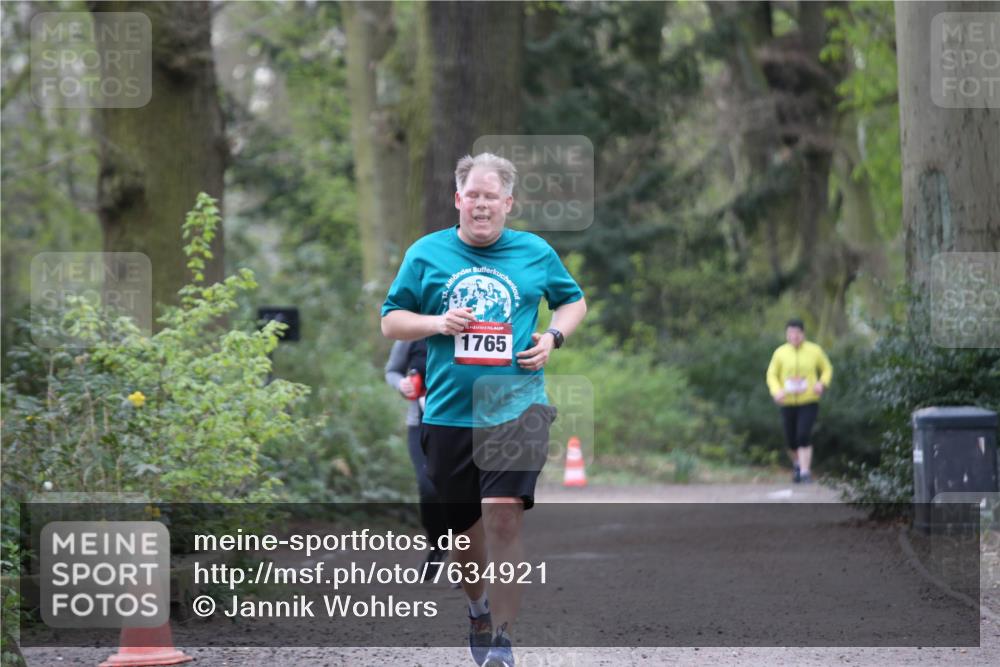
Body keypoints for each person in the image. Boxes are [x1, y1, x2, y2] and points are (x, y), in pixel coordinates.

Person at [381, 152, 587, 667]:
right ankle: (477, 608)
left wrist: (553, 337)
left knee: (503, 515)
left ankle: (502, 639)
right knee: (464, 530)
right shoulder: (426, 253)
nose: (480, 204)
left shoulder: (534, 252)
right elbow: (391, 321)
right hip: (449, 414)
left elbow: (574, 300)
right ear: (458, 199)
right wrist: (435, 324)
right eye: (471, 195)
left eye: (490, 196)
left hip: (518, 407)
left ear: (507, 203)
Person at [384, 338, 450, 580]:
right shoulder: (410, 332)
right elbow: (391, 371)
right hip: (420, 425)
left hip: (463, 425)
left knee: (463, 491)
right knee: (428, 488)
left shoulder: (468, 327)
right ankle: (438, 544)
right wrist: (403, 385)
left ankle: (467, 556)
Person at [766, 318, 833, 484]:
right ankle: (797, 463)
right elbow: (771, 374)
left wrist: (822, 384)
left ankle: (805, 472)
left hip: (808, 399)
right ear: (786, 335)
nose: (794, 336)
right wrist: (776, 391)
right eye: (790, 333)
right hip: (787, 401)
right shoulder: (780, 353)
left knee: (803, 434)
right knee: (791, 439)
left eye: (797, 333)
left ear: (803, 334)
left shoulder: (814, 350)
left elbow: (827, 368)